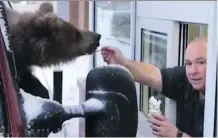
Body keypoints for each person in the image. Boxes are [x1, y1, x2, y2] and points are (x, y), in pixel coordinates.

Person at [100, 37, 207, 137]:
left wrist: (176, 135)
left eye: (201, 62)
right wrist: (122, 62)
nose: (193, 71)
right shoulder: (185, 79)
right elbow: (152, 74)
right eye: (188, 63)